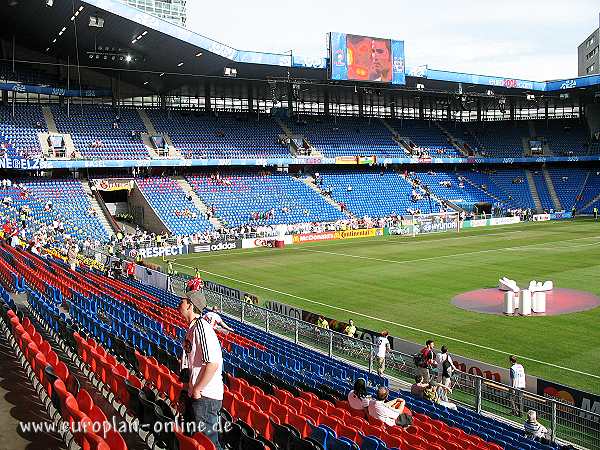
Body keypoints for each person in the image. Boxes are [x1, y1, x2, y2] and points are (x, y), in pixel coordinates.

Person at [179, 291, 224, 449]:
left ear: (190, 305)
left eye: (183, 300)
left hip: (206, 397)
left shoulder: (202, 328)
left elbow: (212, 363)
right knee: (195, 441)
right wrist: (185, 392)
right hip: (196, 396)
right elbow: (189, 364)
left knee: (208, 443)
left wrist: (197, 389)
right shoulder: (192, 329)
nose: (180, 302)